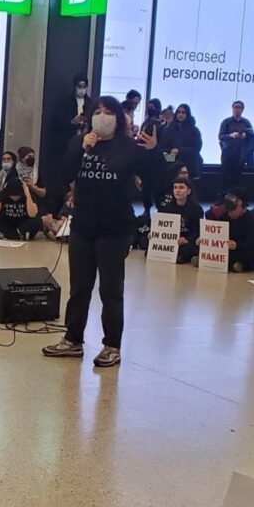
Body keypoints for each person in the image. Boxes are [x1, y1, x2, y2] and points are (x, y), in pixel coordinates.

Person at [42, 95, 157, 368]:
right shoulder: (81, 143)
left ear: (118, 118)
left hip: (115, 229)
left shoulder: (128, 147)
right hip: (83, 225)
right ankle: (72, 340)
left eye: (108, 112)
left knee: (110, 290)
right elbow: (63, 175)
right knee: (79, 287)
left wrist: (153, 154)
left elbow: (156, 179)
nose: (102, 116)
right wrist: (81, 148)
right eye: (98, 111)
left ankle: (111, 345)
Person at [198, 186, 254, 272]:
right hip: (226, 249)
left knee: (246, 257)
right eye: (227, 196)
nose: (227, 199)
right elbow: (212, 225)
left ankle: (239, 265)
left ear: (240, 202)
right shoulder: (224, 214)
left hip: (244, 250)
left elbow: (253, 243)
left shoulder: (252, 219)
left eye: (231, 197)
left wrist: (237, 245)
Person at [156, 177, 203, 264]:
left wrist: (187, 239)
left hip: (186, 240)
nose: (177, 190)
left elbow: (198, 231)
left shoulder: (196, 209)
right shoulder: (166, 208)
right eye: (175, 187)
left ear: (188, 191)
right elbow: (160, 227)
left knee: (191, 247)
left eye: (181, 188)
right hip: (170, 241)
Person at [218, 100, 254, 193]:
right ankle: (223, 198)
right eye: (235, 107)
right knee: (225, 177)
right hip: (228, 154)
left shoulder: (246, 122)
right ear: (232, 108)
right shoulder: (226, 121)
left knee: (238, 179)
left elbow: (253, 137)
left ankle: (238, 199)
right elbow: (220, 136)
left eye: (239, 107)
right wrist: (230, 135)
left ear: (242, 109)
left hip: (241, 155)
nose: (237, 110)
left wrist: (246, 135)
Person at [160, 103, 204, 181]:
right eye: (179, 112)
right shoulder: (169, 129)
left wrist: (180, 150)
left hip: (190, 164)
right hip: (172, 165)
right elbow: (162, 147)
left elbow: (197, 148)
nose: (180, 114)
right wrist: (170, 155)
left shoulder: (194, 130)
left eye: (183, 112)